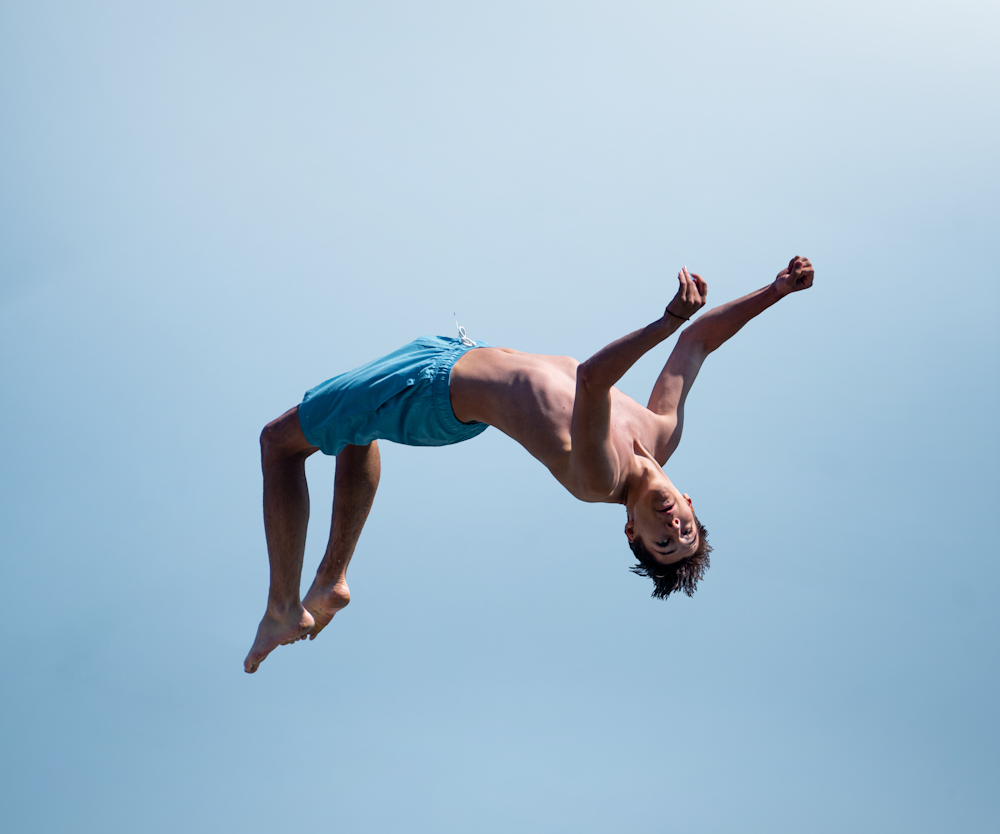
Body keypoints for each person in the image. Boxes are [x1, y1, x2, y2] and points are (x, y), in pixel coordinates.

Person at [244, 256, 814, 672]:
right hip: (449, 357)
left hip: (435, 391)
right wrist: (776, 290)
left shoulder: (601, 480)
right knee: (355, 432)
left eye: (664, 542)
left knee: (279, 442)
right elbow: (698, 346)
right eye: (684, 529)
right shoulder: (662, 432)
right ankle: (330, 579)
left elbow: (592, 380)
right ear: (689, 504)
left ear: (632, 532)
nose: (672, 527)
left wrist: (663, 321)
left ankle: (282, 608)